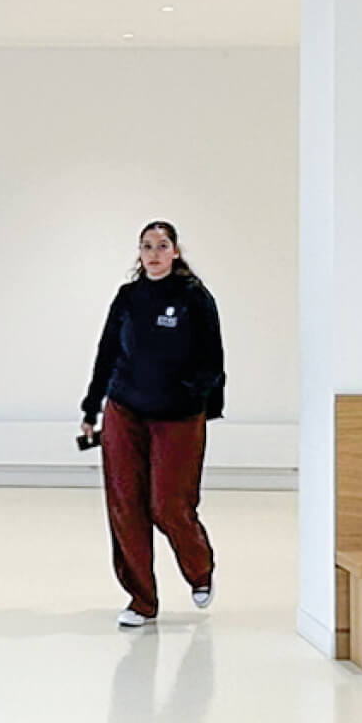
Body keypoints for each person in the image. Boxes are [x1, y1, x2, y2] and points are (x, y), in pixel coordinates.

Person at [81, 221, 224, 630]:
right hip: (124, 410)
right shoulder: (128, 298)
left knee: (168, 506)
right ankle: (141, 600)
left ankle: (199, 569)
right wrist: (92, 408)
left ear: (176, 252)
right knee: (126, 504)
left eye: (163, 245)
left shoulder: (194, 298)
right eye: (147, 246)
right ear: (139, 253)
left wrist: (191, 395)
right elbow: (106, 352)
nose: (155, 253)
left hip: (177, 415)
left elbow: (212, 360)